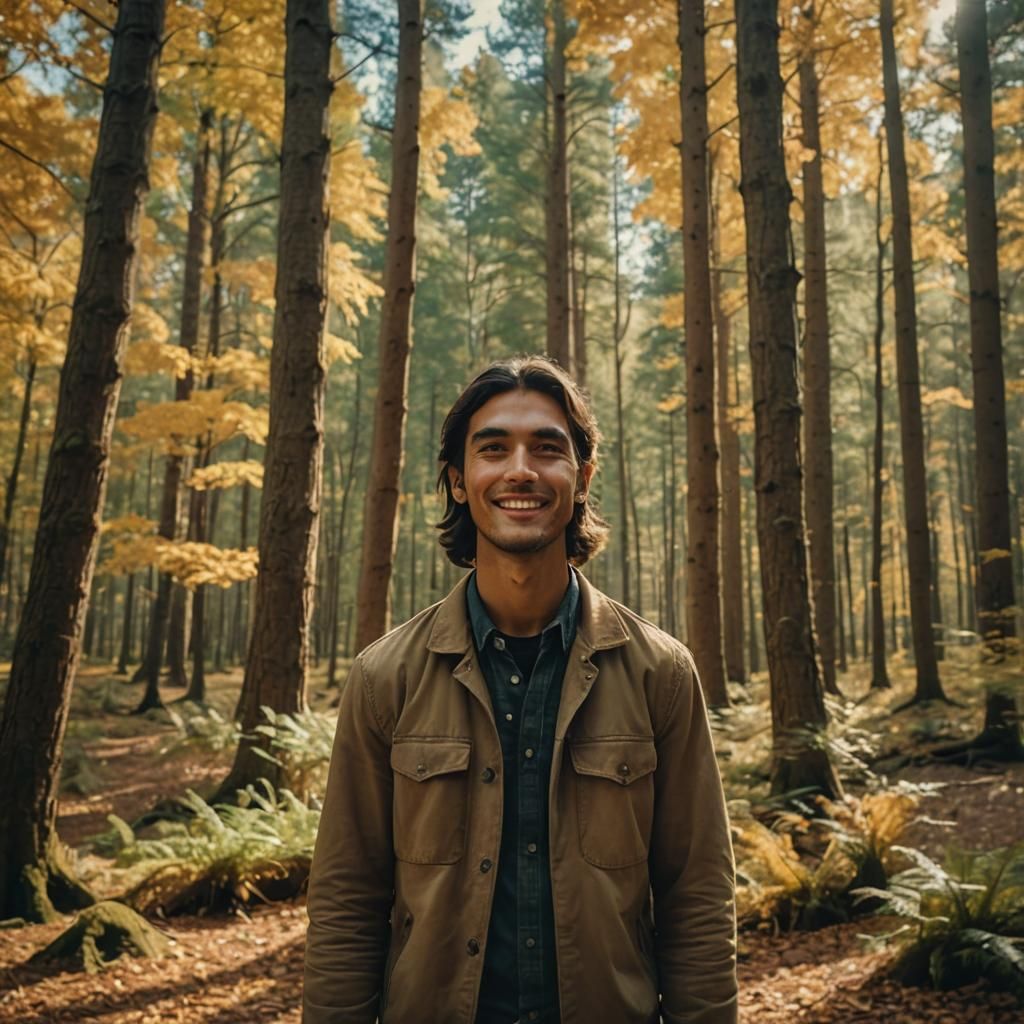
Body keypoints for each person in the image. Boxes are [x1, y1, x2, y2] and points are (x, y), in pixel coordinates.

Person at [303, 356, 737, 1024]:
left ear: (582, 477)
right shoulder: (384, 677)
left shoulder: (661, 674)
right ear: (457, 480)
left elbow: (697, 897)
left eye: (547, 449)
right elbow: (346, 902)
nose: (521, 471)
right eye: (493, 448)